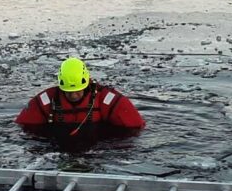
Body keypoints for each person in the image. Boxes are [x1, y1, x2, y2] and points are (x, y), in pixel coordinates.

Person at [16, 57, 144, 143]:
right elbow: (23, 128)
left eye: (78, 90)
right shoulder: (47, 101)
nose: (73, 95)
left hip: (95, 149)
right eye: (69, 91)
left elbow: (135, 128)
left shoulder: (106, 99)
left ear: (87, 83)